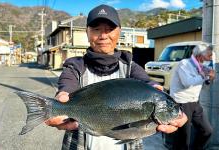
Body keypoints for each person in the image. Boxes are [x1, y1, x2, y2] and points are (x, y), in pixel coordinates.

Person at [45, 4, 188, 150]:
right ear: (87, 33)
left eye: (109, 29)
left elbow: (147, 83)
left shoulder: (131, 67)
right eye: (96, 29)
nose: (103, 36)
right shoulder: (75, 66)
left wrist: (157, 90)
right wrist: (61, 99)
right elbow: (67, 85)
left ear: (119, 32)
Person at [169, 43, 215, 150]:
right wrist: (204, 75)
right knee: (183, 138)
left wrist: (209, 79)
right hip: (181, 103)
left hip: (194, 102)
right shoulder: (184, 64)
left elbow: (204, 84)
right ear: (200, 55)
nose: (210, 58)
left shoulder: (201, 66)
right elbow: (187, 82)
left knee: (207, 131)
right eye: (209, 55)